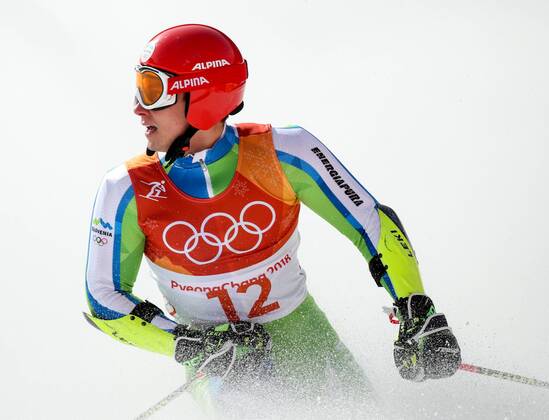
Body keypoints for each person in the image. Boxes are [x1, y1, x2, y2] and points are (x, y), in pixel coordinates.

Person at [84, 23, 461, 415]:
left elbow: (370, 224)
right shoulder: (126, 189)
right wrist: (190, 343)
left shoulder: (285, 151)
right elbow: (102, 299)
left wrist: (415, 307)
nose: (137, 107)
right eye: (138, 88)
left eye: (151, 90)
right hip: (221, 367)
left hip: (306, 341)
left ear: (200, 96)